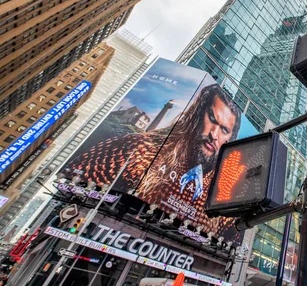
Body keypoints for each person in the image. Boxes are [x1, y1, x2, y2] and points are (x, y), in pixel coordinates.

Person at [63, 83, 242, 237]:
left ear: (230, 138)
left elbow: (232, 232)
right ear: (195, 116)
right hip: (102, 225)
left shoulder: (222, 194)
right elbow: (76, 178)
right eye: (211, 119)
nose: (214, 135)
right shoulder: (137, 148)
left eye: (225, 130)